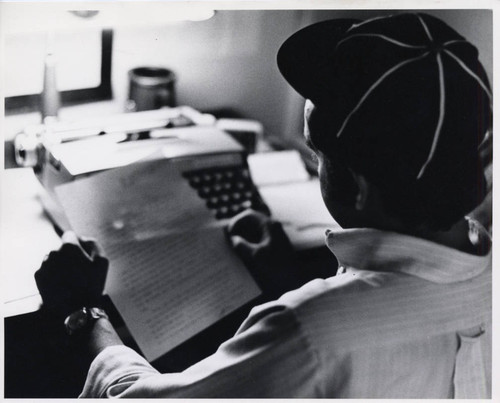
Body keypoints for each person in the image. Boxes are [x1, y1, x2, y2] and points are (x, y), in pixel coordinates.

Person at [34, 12, 492, 398]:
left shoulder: (308, 332)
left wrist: (82, 313)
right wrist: (287, 278)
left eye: (317, 156)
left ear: (360, 187)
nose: (316, 167)